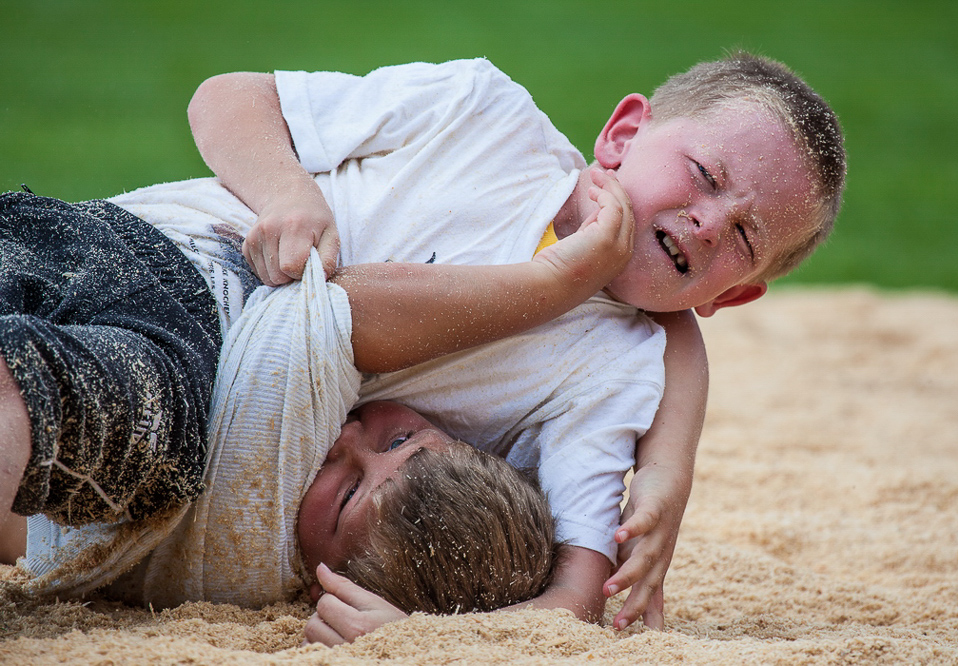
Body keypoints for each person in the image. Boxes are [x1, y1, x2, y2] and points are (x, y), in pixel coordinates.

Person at [183, 50, 846, 637]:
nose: (707, 222)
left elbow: (579, 592)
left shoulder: (613, 368)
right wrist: (287, 192)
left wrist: (416, 637)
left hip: (200, 419)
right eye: (703, 173)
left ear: (726, 297)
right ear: (621, 136)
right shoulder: (480, 113)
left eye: (743, 238)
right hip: (174, 258)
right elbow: (227, 98)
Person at [0, 163, 636, 609]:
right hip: (121, 263)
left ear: (329, 585)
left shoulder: (247, 545)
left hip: (151, 327)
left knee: (74, 411)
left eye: (348, 493)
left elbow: (348, 307)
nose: (347, 437)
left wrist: (554, 283)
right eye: (404, 436)